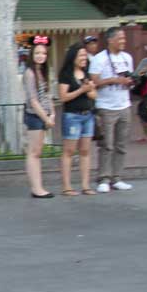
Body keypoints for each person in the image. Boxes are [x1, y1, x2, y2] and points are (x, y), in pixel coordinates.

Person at [89, 26, 134, 193]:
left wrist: (130, 81)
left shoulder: (127, 57)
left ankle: (117, 177)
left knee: (121, 144)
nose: (123, 41)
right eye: (120, 39)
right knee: (106, 144)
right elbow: (94, 82)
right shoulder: (99, 59)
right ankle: (103, 178)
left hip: (124, 104)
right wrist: (114, 80)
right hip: (106, 106)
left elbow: (128, 77)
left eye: (124, 39)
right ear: (110, 40)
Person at [58, 42, 96, 195]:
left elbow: (94, 95)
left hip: (88, 115)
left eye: (85, 56)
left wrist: (89, 90)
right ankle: (67, 186)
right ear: (73, 57)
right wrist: (82, 89)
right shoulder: (66, 74)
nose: (84, 58)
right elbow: (63, 97)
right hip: (72, 116)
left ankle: (85, 184)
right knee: (69, 150)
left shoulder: (86, 74)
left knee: (85, 150)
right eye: (81, 55)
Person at [23, 36, 55, 198]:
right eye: (37, 53)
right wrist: (46, 118)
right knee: (34, 152)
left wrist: (53, 112)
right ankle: (37, 188)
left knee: (37, 152)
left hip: (43, 115)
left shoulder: (42, 72)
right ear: (32, 54)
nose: (40, 56)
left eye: (43, 53)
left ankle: (38, 187)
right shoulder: (29, 73)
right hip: (35, 116)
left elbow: (48, 95)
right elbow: (33, 100)